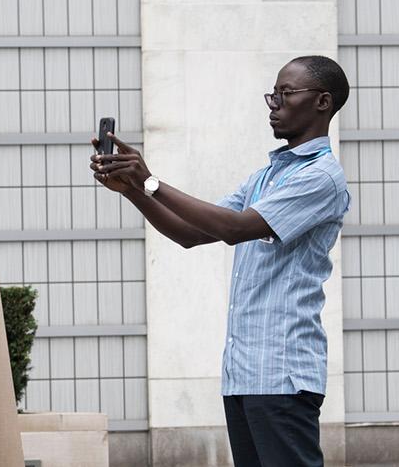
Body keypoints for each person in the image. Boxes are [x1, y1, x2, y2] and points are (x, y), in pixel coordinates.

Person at [90, 56, 351, 466]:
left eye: (286, 94)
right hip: (245, 375)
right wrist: (133, 190)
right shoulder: (265, 176)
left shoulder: (321, 177)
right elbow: (191, 234)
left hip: (283, 375)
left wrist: (152, 181)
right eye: (273, 94)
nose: (274, 104)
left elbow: (235, 228)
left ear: (322, 102)